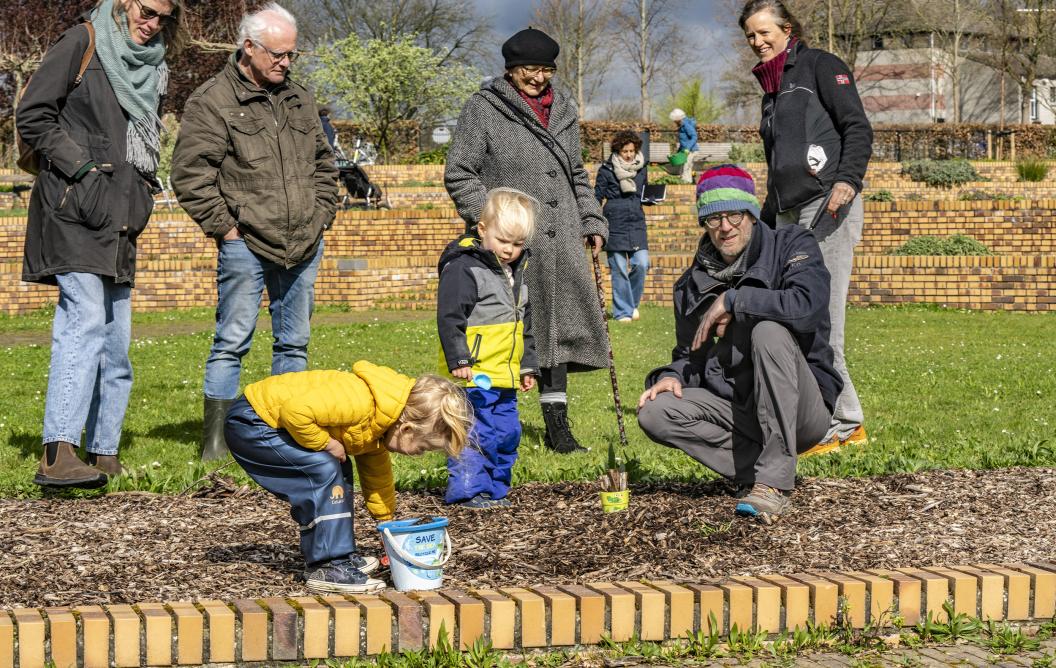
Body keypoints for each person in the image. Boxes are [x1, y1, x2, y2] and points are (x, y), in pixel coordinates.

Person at [17, 0, 187, 488]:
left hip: (120, 216)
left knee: (116, 341)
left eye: (163, 17)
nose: (151, 23)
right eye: (146, 10)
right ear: (125, 2)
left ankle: (104, 451)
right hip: (74, 208)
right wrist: (84, 168)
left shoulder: (155, 68)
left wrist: (140, 193)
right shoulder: (82, 42)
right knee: (85, 321)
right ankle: (57, 452)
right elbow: (32, 116)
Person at [171, 2, 338, 461]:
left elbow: (325, 164)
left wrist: (323, 213)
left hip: (304, 240)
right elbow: (190, 175)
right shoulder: (211, 101)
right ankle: (218, 447)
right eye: (277, 54)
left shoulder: (300, 98)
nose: (286, 63)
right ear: (248, 47)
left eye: (292, 55)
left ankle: (285, 438)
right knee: (231, 343)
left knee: (294, 344)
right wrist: (225, 229)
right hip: (245, 243)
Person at [636, 165, 842, 524]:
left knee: (768, 331)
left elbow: (807, 307)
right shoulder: (691, 284)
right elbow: (690, 356)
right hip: (739, 409)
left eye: (733, 214)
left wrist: (735, 300)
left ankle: (774, 483)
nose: (725, 227)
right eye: (713, 218)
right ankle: (761, 469)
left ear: (750, 213)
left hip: (801, 411)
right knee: (656, 411)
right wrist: (670, 376)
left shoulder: (792, 245)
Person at [445, 27, 608, 455]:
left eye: (545, 70)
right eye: (529, 70)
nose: (538, 78)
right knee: (514, 329)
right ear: (511, 71)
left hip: (563, 235)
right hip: (513, 243)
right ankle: (496, 423)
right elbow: (460, 171)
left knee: (555, 332)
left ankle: (559, 428)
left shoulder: (565, 108)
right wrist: (493, 220)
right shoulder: (484, 108)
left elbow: (576, 173)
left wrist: (592, 220)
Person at [740, 0, 872, 453]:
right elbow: (780, 164)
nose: (757, 42)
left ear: (787, 28)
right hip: (787, 214)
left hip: (827, 205)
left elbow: (857, 127)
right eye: (751, 36)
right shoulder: (771, 92)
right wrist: (766, 217)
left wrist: (847, 181)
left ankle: (847, 421)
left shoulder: (820, 66)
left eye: (763, 32)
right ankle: (824, 417)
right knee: (795, 317)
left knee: (823, 317)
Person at [224, 361, 473, 593]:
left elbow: (378, 477)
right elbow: (295, 412)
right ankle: (328, 566)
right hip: (252, 422)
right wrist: (327, 443)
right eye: (422, 448)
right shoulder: (361, 401)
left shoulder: (381, 426)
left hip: (269, 424)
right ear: (406, 429)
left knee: (338, 470)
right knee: (324, 469)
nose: (420, 454)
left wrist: (387, 525)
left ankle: (338, 555)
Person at [437, 188, 538, 509]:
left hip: (504, 373)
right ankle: (469, 489)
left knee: (506, 432)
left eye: (518, 244)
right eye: (503, 240)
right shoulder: (465, 268)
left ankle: (496, 489)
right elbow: (450, 316)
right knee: (474, 431)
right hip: (474, 372)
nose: (509, 250)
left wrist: (527, 365)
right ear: (482, 230)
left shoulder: (516, 274)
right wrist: (459, 358)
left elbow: (526, 323)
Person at [595, 130, 651, 323]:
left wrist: (651, 199)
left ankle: (632, 305)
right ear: (617, 150)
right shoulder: (606, 170)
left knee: (642, 264)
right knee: (618, 268)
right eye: (625, 151)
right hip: (614, 222)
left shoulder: (642, 169)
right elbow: (597, 196)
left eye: (632, 151)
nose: (629, 155)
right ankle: (621, 312)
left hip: (636, 222)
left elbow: (643, 194)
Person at [669, 108, 698, 183]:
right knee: (684, 168)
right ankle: (685, 182)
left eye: (674, 120)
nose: (674, 122)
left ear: (678, 119)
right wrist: (678, 152)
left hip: (691, 150)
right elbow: (683, 142)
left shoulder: (686, 125)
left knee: (686, 167)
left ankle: (686, 184)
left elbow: (694, 136)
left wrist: (688, 148)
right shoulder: (682, 126)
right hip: (685, 151)